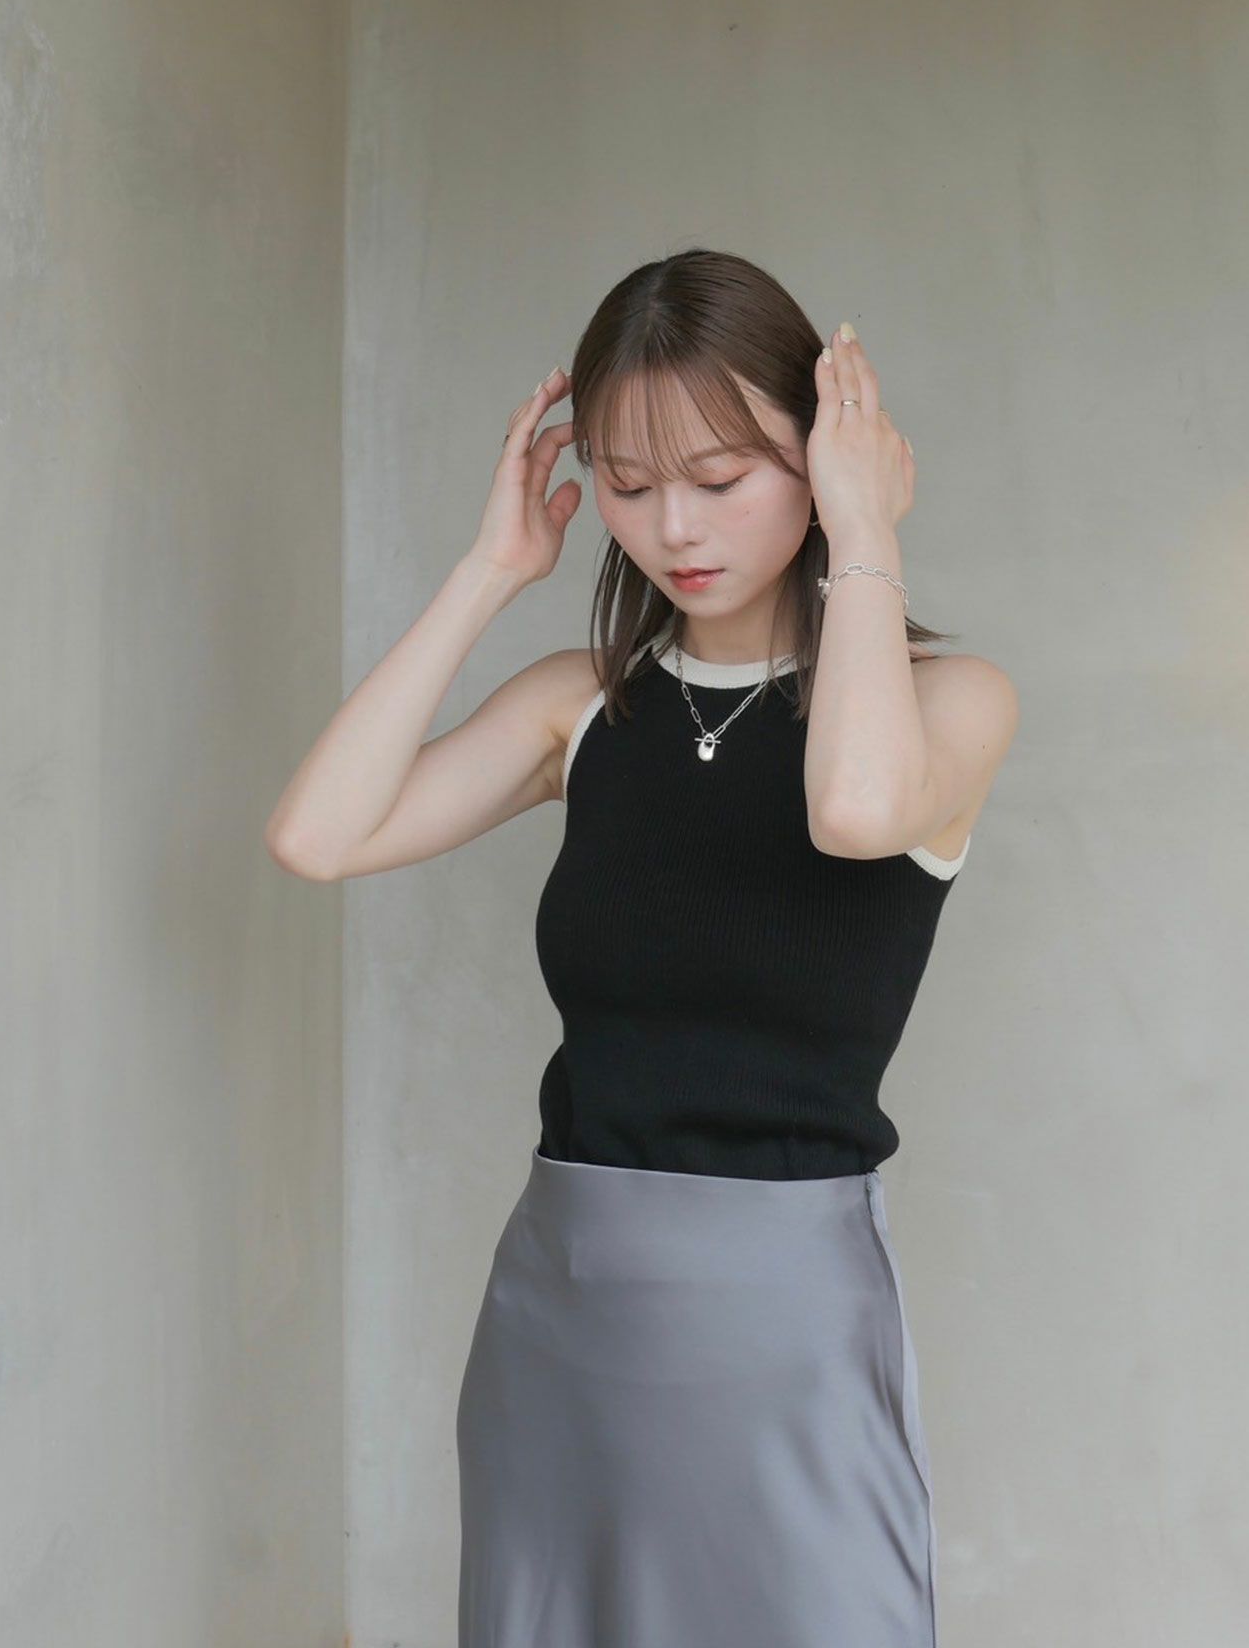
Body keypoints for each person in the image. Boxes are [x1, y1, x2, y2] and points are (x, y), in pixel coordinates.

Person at [264, 248, 1018, 1647]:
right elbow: (319, 834)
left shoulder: (951, 703)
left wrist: (866, 531)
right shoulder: (582, 707)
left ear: (821, 455)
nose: (673, 526)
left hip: (787, 1319)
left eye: (721, 478)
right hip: (564, 1309)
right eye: (626, 482)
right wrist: (491, 572)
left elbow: (856, 814)